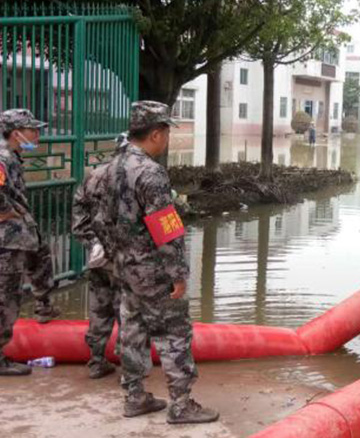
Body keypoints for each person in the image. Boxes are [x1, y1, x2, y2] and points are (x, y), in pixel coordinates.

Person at [95, 101, 217, 423]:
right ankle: (181, 404)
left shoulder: (109, 169)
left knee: (131, 332)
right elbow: (166, 227)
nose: (166, 141)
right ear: (156, 133)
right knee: (173, 333)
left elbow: (100, 220)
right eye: (165, 134)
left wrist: (117, 256)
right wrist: (178, 272)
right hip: (153, 272)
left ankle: (134, 396)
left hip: (123, 267)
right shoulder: (150, 173)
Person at [0, 109, 61, 377]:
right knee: (6, 296)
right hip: (7, 238)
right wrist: (5, 210)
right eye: (32, 130)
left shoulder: (12, 156)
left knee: (40, 257)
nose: (38, 135)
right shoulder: (2, 157)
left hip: (19, 232)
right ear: (16, 133)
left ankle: (43, 305)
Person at [71, 132, 129, 379]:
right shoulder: (140, 176)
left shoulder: (93, 176)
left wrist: (94, 242)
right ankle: (130, 371)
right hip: (128, 259)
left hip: (99, 256)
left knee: (99, 308)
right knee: (129, 312)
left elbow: (78, 216)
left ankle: (96, 361)